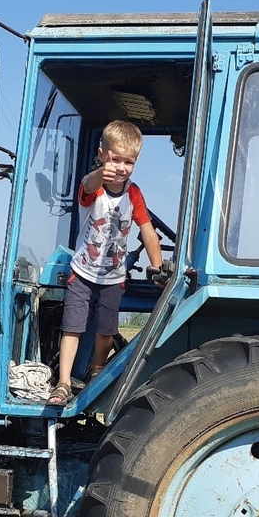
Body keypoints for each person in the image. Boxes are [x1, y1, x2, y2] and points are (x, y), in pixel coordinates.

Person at [48, 120, 162, 405]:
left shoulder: (133, 193)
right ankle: (62, 383)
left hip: (113, 277)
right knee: (72, 328)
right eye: (115, 159)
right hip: (83, 272)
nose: (121, 167)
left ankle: (97, 371)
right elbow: (89, 184)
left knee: (106, 331)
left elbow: (147, 230)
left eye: (129, 162)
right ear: (101, 154)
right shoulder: (94, 188)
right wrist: (102, 172)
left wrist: (158, 266)